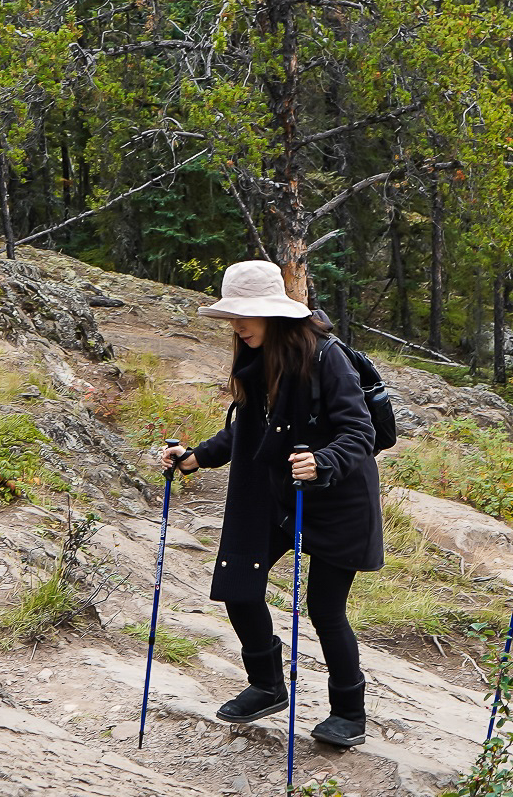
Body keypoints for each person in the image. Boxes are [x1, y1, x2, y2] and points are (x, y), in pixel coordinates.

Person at [159, 260, 382, 749]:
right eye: (233, 316)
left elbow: (360, 431)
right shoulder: (258, 360)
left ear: (276, 315)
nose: (237, 325)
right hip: (276, 493)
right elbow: (249, 428)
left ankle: (349, 712)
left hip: (338, 497)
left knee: (325, 608)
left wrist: (322, 461)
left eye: (247, 315)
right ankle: (266, 686)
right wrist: (198, 456)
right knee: (239, 583)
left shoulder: (326, 358)